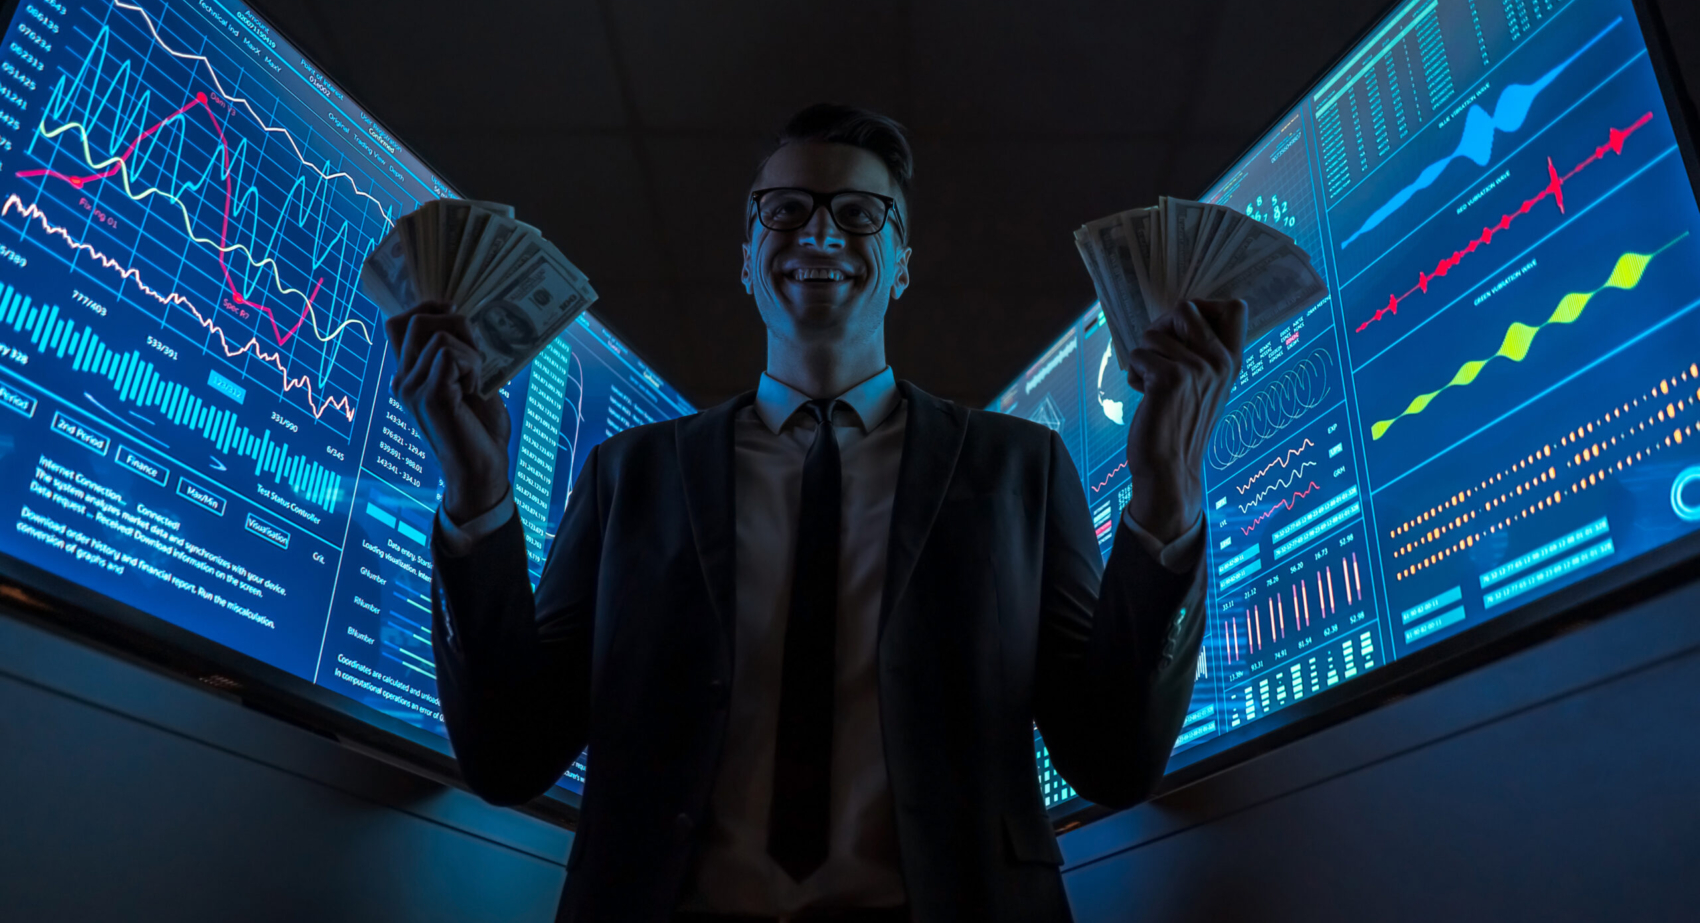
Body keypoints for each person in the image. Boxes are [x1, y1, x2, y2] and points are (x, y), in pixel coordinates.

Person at [387, 104, 1245, 923]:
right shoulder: (630, 475)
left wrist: (1167, 494)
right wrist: (476, 495)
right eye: (786, 210)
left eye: (860, 214)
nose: (820, 233)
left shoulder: (1019, 467)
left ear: (902, 265)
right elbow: (509, 756)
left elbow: (1112, 760)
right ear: (748, 259)